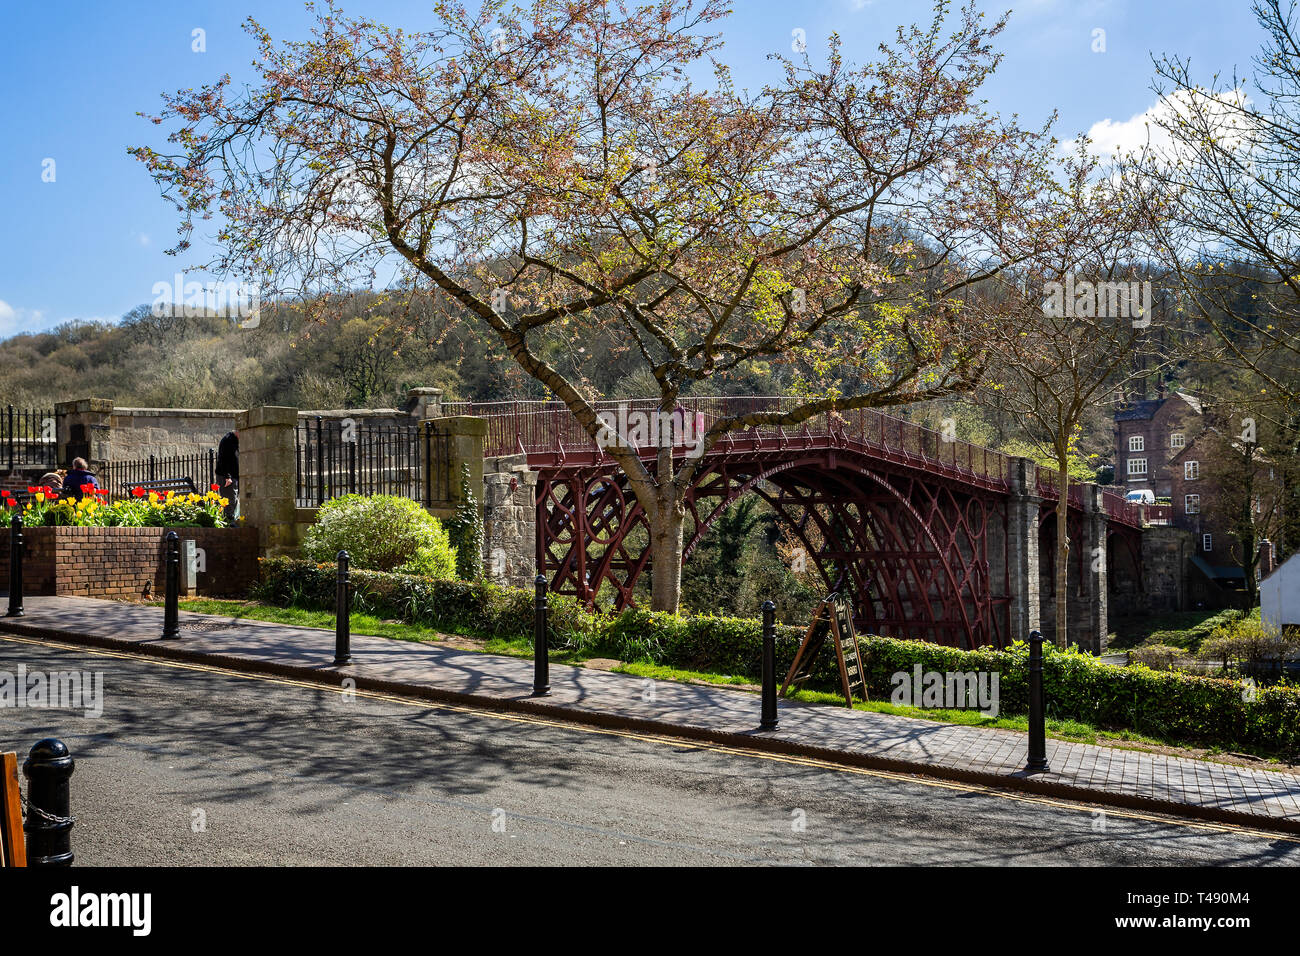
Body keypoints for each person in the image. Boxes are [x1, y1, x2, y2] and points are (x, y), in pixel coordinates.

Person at [215, 430, 239, 520]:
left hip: (234, 475)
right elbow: (222, 459)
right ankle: (228, 522)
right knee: (229, 500)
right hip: (227, 477)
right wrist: (227, 477)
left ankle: (231, 520)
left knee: (234, 500)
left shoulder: (235, 440)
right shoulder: (228, 440)